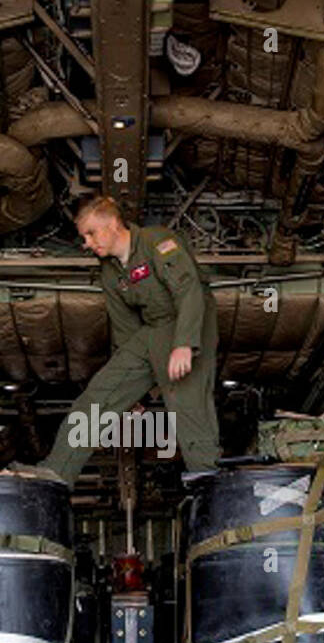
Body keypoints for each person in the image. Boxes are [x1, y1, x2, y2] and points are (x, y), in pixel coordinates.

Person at [34, 196, 220, 484]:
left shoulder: (157, 241)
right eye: (83, 237)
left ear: (112, 223)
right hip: (152, 330)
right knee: (100, 395)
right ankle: (57, 470)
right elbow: (123, 328)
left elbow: (189, 290)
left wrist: (185, 343)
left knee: (186, 402)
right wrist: (131, 391)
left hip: (190, 321)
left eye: (91, 233)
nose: (86, 243)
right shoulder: (110, 272)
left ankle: (209, 482)